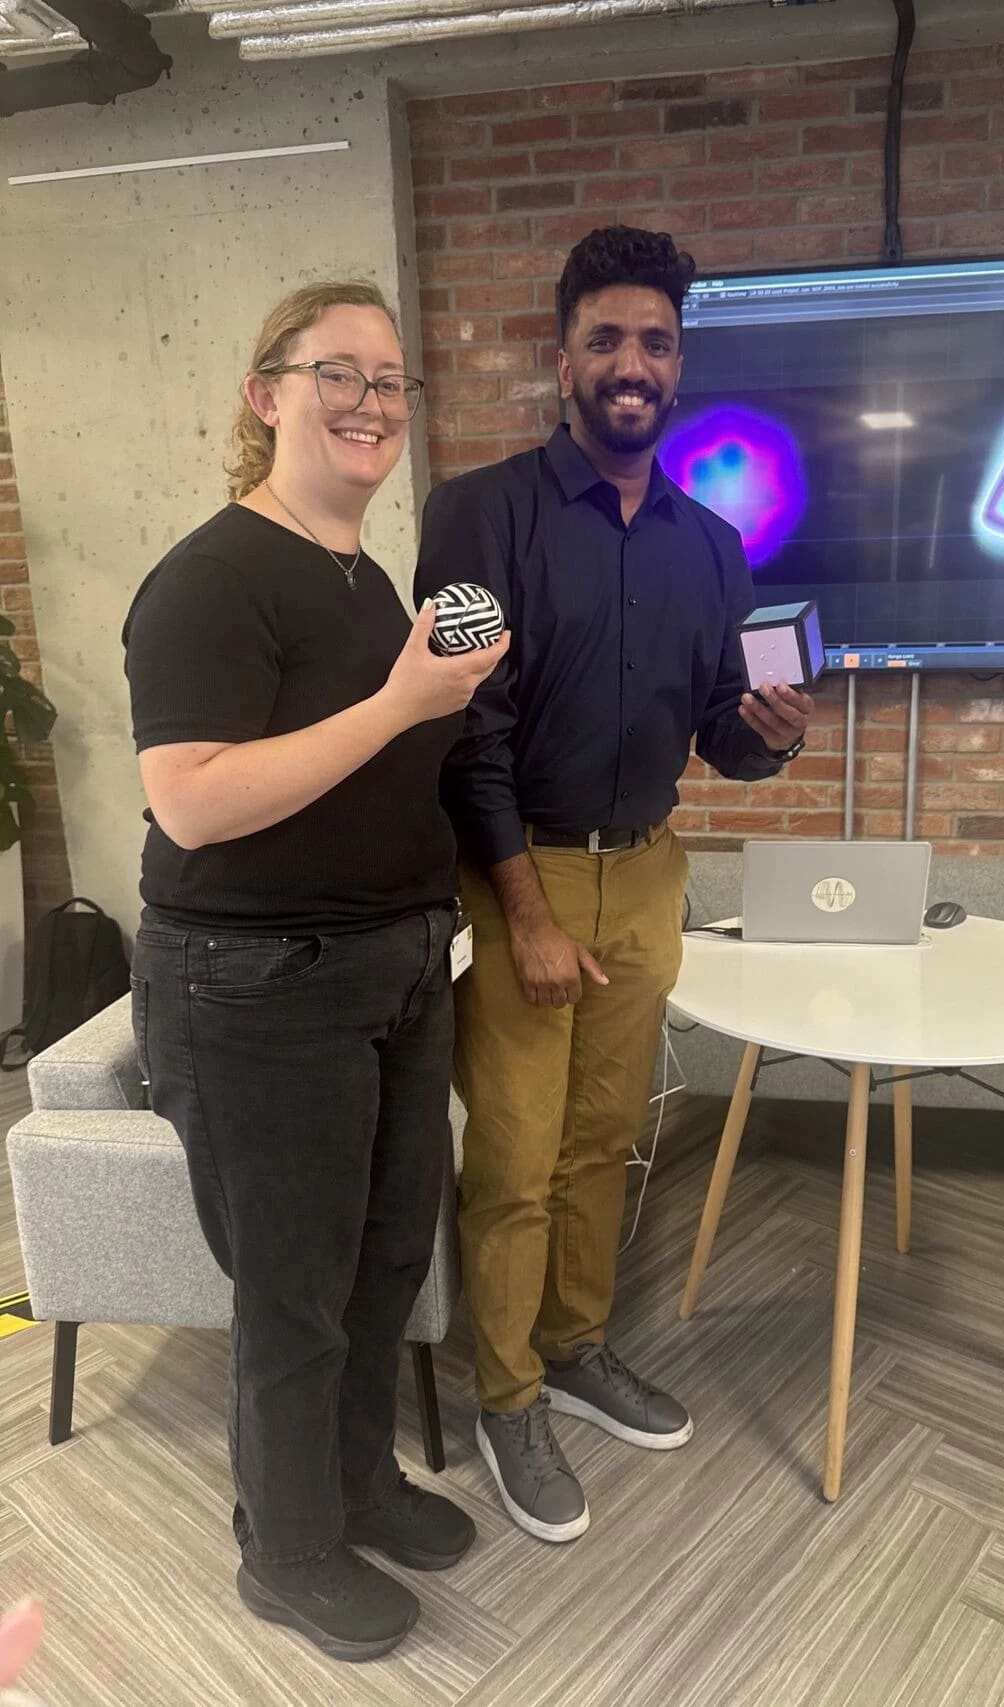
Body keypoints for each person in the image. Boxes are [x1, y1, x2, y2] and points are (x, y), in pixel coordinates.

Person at [123, 281, 507, 1661]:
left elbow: (366, 770)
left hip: (396, 973)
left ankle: (354, 1488)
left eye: (392, 381)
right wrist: (404, 702)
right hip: (260, 986)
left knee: (386, 1257)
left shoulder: (363, 578)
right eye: (335, 372)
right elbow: (196, 803)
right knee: (293, 1287)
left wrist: (442, 715)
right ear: (264, 394)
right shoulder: (214, 577)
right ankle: (285, 1550)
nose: (369, 401)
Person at [415, 225, 813, 1543]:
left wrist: (759, 742)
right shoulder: (481, 513)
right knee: (518, 1161)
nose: (631, 362)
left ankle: (576, 1348)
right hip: (517, 873)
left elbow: (716, 730)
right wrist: (524, 913)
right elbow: (462, 732)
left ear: (676, 362)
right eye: (606, 338)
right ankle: (507, 1390)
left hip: (647, 878)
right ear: (564, 355)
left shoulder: (712, 544)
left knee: (606, 1143)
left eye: (654, 341)